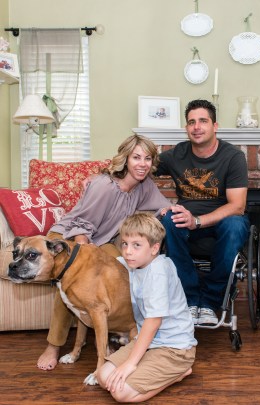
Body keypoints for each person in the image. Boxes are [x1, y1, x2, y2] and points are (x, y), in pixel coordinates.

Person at [37, 134, 170, 371]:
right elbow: (81, 223)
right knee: (72, 278)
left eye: (147, 158)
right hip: (69, 235)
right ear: (125, 159)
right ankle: (54, 345)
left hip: (100, 239)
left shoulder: (144, 185)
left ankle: (116, 332)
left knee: (122, 267)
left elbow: (163, 207)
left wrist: (179, 211)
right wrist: (83, 253)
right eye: (136, 157)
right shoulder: (104, 186)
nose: (142, 163)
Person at [158, 99, 250, 326]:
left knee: (236, 224)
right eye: (191, 122)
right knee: (169, 218)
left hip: (220, 222)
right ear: (186, 127)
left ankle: (210, 301)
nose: (196, 127)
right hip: (186, 223)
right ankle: (189, 298)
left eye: (202, 121)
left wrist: (197, 221)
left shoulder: (233, 157)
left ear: (215, 126)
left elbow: (237, 205)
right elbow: (139, 167)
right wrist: (102, 171)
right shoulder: (175, 155)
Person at [97, 212, 197, 403]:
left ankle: (179, 373)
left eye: (136, 245)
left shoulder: (158, 271)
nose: (128, 251)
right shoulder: (136, 263)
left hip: (174, 349)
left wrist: (130, 365)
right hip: (149, 343)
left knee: (120, 393)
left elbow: (154, 321)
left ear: (154, 248)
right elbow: (107, 262)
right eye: (125, 244)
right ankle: (147, 367)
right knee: (103, 377)